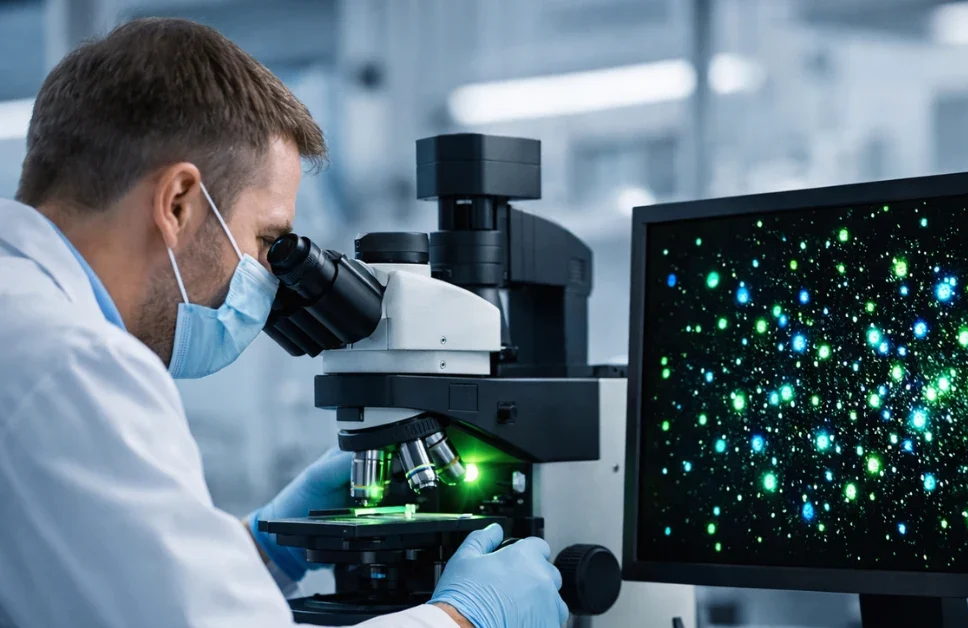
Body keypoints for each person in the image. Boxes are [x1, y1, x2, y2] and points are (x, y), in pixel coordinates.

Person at [0, 17, 567, 628]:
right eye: (270, 239)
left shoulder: (24, 323)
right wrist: (466, 618)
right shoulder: (73, 367)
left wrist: (261, 550)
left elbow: (98, 583)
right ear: (178, 203)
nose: (274, 278)